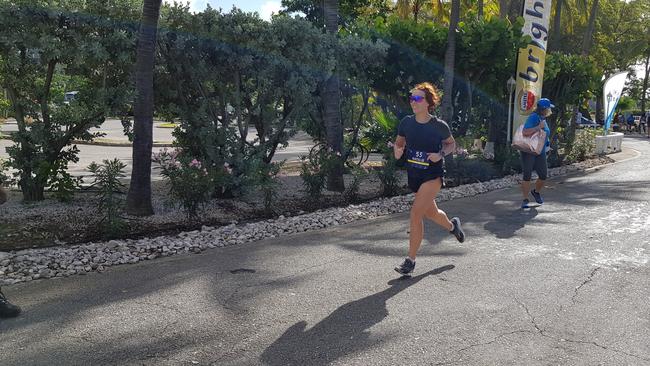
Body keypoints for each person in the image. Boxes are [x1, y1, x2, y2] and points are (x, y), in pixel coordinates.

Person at [392, 82, 465, 275]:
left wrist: (440, 154)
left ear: (428, 103)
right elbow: (399, 144)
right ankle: (453, 226)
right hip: (414, 175)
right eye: (411, 98)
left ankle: (410, 261)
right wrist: (397, 151)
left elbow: (451, 144)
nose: (413, 102)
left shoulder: (439, 125)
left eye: (418, 98)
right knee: (431, 213)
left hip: (432, 175)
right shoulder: (406, 123)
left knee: (416, 213)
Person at [520, 98, 553, 209]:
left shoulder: (542, 118)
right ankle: (525, 199)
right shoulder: (534, 117)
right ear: (543, 109)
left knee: (543, 175)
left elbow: (544, 134)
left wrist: (548, 146)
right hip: (529, 151)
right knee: (527, 175)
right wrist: (538, 127)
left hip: (540, 151)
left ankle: (536, 192)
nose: (549, 110)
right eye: (548, 108)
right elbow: (525, 131)